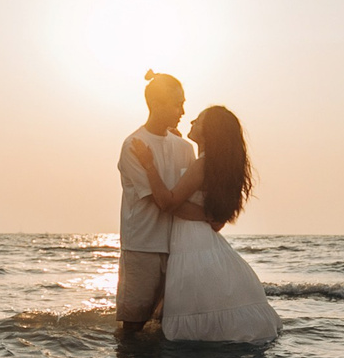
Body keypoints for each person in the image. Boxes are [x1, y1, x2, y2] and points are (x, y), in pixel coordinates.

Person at [128, 102, 281, 343]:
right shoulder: (213, 166)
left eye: (198, 121)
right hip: (200, 237)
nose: (191, 122)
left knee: (187, 314)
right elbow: (217, 220)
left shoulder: (202, 165)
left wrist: (149, 164)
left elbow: (168, 202)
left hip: (189, 240)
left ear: (209, 131)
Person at [116, 71, 195, 335]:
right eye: (177, 103)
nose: (183, 110)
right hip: (142, 247)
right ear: (157, 104)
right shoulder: (133, 145)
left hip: (177, 248)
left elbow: (189, 193)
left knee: (166, 328)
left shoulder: (185, 148)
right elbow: (162, 201)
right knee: (133, 327)